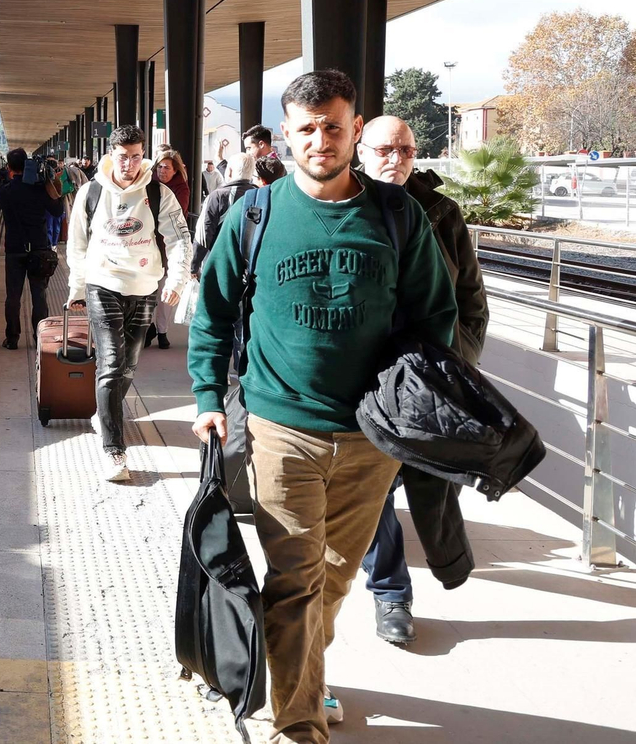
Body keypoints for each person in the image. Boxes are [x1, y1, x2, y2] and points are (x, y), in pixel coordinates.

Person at [188, 70, 456, 742]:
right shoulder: (255, 215)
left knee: (333, 580)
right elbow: (212, 313)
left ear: (355, 129)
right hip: (281, 428)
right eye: (306, 129)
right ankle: (299, 723)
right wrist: (207, 397)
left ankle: (292, 668)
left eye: (333, 127)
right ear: (286, 134)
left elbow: (437, 315)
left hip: (371, 437)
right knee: (295, 578)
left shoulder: (398, 216)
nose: (319, 140)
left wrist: (419, 404)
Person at [355, 116, 490, 646]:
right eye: (385, 150)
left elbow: (472, 301)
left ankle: (446, 561)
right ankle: (391, 591)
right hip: (363, 375)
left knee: (432, 480)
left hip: (430, 373)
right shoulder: (341, 204)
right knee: (373, 490)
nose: (397, 159)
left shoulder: (441, 211)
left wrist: (458, 360)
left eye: (407, 150)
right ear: (361, 149)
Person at [67, 125, 192, 481]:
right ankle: (114, 449)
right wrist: (77, 289)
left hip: (145, 286)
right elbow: (77, 245)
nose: (130, 164)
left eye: (136, 157)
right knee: (111, 362)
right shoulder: (91, 192)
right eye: (123, 157)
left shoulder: (157, 192)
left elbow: (180, 239)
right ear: (111, 155)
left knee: (129, 365)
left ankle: (104, 413)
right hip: (102, 284)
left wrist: (176, 281)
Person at [0, 149, 65, 350]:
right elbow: (57, 211)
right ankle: (39, 338)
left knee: (13, 297)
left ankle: (12, 338)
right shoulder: (39, 189)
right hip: (39, 249)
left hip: (14, 249)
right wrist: (50, 183)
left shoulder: (4, 191)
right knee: (39, 296)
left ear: (9, 168)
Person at [149, 149, 193, 349]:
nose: (162, 171)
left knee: (165, 288)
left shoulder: (180, 189)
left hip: (167, 244)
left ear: (175, 170)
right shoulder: (148, 185)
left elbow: (178, 217)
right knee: (149, 288)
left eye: (167, 167)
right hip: (149, 243)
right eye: (159, 167)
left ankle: (162, 330)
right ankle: (148, 326)